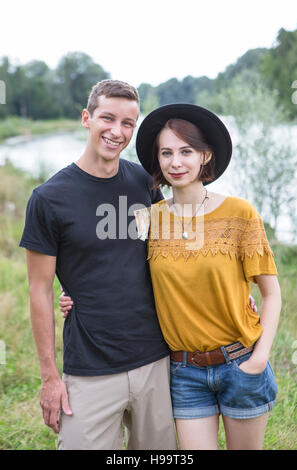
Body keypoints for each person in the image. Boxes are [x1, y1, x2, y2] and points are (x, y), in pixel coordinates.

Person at [19, 80, 177, 450]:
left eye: (127, 124)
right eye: (108, 118)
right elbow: (39, 290)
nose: (117, 132)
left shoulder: (143, 181)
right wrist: (49, 378)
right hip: (90, 368)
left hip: (155, 358)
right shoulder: (48, 199)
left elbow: (168, 256)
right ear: (86, 118)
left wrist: (233, 295)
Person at [132, 104, 281, 450]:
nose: (176, 162)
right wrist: (74, 293)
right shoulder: (147, 219)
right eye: (166, 153)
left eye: (186, 151)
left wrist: (259, 358)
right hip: (184, 371)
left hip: (240, 363)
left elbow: (271, 294)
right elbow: (118, 274)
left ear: (205, 155)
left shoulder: (240, 214)